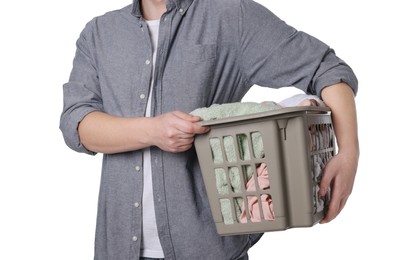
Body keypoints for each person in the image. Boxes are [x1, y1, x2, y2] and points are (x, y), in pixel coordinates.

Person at [59, 0, 359, 259]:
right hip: (117, 247)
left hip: (208, 246)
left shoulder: (230, 16)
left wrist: (349, 154)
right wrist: (153, 131)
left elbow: (328, 71)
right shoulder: (98, 34)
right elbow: (77, 123)